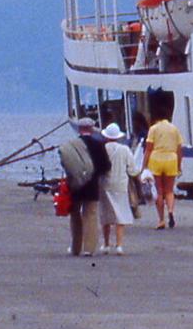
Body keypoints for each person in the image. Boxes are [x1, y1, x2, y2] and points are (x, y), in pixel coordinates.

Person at [57, 118, 111, 257]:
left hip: (75, 184)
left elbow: (66, 164)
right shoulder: (98, 144)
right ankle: (89, 248)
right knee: (90, 214)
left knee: (75, 214)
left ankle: (76, 247)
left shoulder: (72, 145)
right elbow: (106, 166)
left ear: (79, 129)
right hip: (92, 184)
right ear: (92, 128)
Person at [98, 123, 139, 255]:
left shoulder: (102, 149)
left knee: (105, 215)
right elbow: (132, 170)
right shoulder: (125, 149)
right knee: (120, 215)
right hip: (121, 184)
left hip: (104, 184)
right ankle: (119, 245)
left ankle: (106, 244)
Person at [143, 110, 183, 229]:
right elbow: (179, 149)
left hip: (156, 160)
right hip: (171, 159)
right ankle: (170, 211)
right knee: (169, 191)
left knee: (159, 191)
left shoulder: (153, 129)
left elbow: (148, 149)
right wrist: (179, 165)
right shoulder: (174, 129)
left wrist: (144, 166)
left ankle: (161, 220)